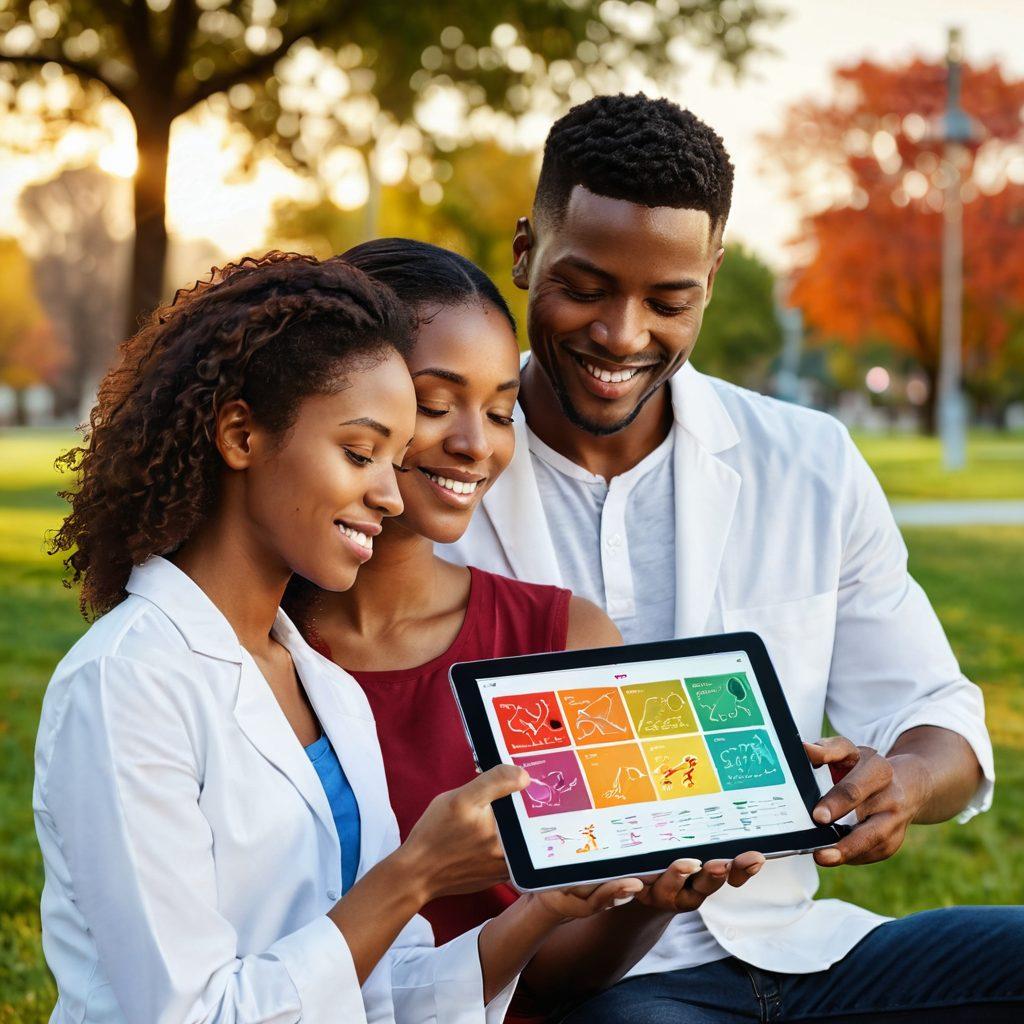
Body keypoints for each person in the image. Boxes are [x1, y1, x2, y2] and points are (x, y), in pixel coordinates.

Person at [443, 94, 1024, 1020]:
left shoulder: (808, 462)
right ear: (525, 252)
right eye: (585, 288)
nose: (622, 335)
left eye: (668, 300)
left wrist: (903, 781)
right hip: (589, 977)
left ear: (710, 279)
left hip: (797, 948)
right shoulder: (439, 473)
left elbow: (939, 715)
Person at [33, 252, 645, 1024]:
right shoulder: (128, 684)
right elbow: (194, 1014)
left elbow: (380, 987)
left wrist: (545, 909)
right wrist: (416, 873)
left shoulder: (323, 687)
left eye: (393, 461)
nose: (389, 496)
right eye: (360, 455)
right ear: (239, 435)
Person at [283, 238, 766, 1017]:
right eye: (435, 405)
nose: (477, 444)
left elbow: (556, 975)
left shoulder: (561, 635)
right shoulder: (257, 648)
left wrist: (653, 896)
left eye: (502, 410)